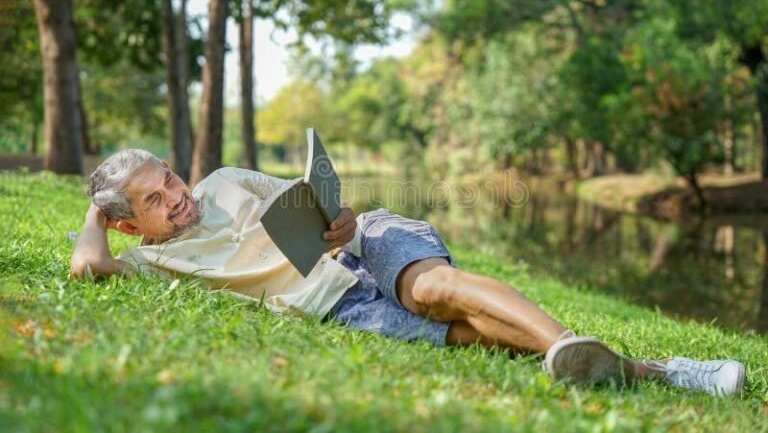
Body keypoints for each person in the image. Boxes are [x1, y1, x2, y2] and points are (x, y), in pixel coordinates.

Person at [70, 149, 747, 397]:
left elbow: (320, 203)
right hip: (336, 303)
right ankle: (663, 371)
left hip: (367, 244)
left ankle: (571, 342)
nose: (177, 196)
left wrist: (340, 221)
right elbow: (86, 266)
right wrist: (98, 216)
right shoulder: (150, 262)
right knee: (476, 333)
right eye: (154, 200)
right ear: (131, 224)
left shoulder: (224, 181)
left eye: (170, 179)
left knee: (435, 292)